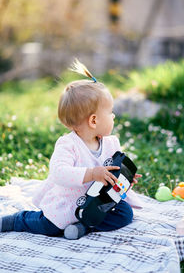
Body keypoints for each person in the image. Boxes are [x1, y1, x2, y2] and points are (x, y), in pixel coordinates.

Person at [0, 60, 142, 240]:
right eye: (110, 112)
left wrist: (123, 179)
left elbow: (111, 173)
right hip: (68, 203)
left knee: (124, 213)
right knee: (50, 226)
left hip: (98, 204)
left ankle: (83, 226)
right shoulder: (68, 145)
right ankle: (17, 220)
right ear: (93, 121)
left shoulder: (111, 143)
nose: (113, 116)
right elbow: (59, 173)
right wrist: (91, 174)